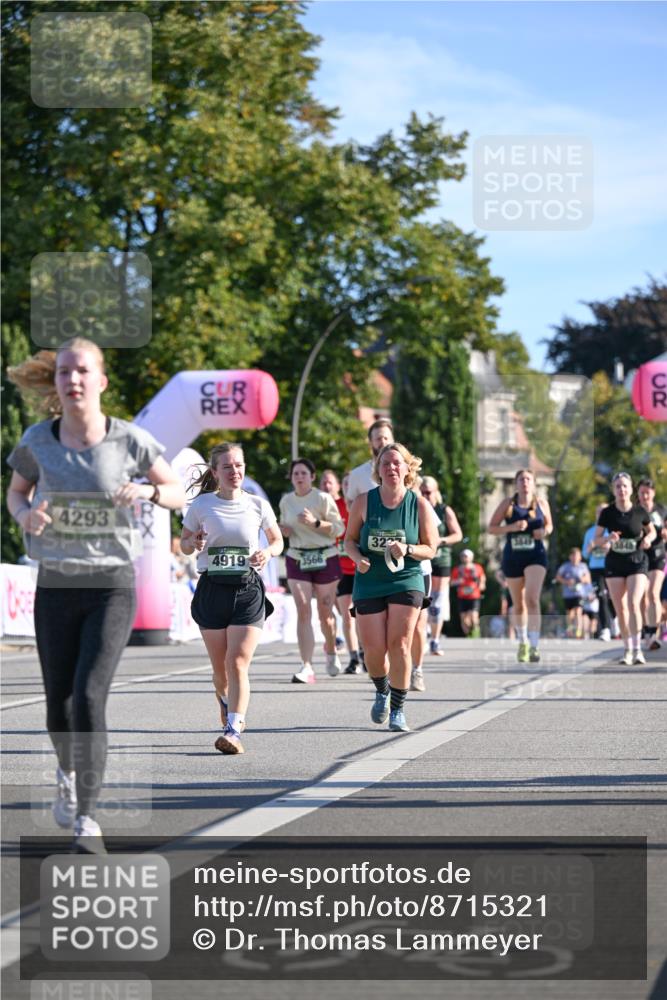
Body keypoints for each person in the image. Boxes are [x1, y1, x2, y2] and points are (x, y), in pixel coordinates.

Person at [6, 338, 185, 851]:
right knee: (57, 707)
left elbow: (176, 490)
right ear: (56, 382)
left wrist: (149, 491)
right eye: (64, 372)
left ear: (101, 381)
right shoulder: (38, 440)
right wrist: (26, 515)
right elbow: (17, 492)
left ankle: (87, 816)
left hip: (111, 585)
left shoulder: (129, 441)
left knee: (88, 698)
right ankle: (66, 772)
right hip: (56, 585)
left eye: (83, 371)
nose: (73, 380)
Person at [180, 442, 282, 755]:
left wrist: (267, 552)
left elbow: (277, 541)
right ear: (215, 472)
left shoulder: (257, 505)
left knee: (238, 662)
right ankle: (225, 701)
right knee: (220, 669)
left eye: (239, 465)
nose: (235, 471)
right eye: (227, 467)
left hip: (247, 589)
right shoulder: (201, 506)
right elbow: (184, 544)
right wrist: (193, 541)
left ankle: (234, 728)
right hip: (212, 588)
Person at [344, 443, 438, 732]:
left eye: (397, 462)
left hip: (406, 578)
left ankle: (398, 709)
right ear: (378, 470)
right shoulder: (363, 502)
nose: (391, 467)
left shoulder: (419, 504)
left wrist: (407, 548)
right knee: (373, 649)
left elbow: (431, 548)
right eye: (385, 463)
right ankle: (382, 689)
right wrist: (358, 558)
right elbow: (348, 540)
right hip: (370, 578)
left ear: (408, 468)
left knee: (399, 644)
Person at [279, 458, 344, 683]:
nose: (299, 477)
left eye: (303, 473)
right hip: (297, 557)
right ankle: (306, 666)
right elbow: (283, 526)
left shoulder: (322, 498)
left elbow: (338, 528)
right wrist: (284, 530)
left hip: (325, 556)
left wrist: (315, 523)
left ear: (312, 477)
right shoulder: (286, 501)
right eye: (295, 473)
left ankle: (332, 650)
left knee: (325, 614)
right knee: (303, 609)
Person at [488, 469, 553, 663]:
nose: (525, 482)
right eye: (521, 479)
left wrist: (544, 532)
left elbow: (550, 525)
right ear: (516, 484)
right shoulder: (508, 504)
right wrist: (512, 528)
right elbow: (492, 528)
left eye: (528, 479)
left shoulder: (541, 504)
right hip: (513, 557)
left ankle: (534, 645)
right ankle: (523, 641)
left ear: (534, 483)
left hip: (536, 556)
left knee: (532, 598)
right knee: (518, 604)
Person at [594, 472, 655, 665]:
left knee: (633, 603)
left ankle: (638, 649)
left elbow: (651, 530)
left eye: (625, 486)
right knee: (620, 609)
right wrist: (607, 539)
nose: (622, 490)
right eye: (618, 486)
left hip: (637, 561)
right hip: (615, 563)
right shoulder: (607, 513)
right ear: (613, 490)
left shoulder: (639, 512)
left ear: (631, 489)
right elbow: (596, 539)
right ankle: (627, 649)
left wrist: (647, 539)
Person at [319, 469, 362, 674]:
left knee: (362, 614)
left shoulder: (359, 505)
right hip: (340, 568)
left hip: (361, 567)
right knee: (347, 614)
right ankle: (354, 657)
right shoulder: (328, 507)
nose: (346, 487)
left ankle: (365, 650)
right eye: (344, 483)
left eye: (348, 484)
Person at [420, 476, 463, 655]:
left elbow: (458, 534)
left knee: (436, 600)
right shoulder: (417, 507)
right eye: (422, 492)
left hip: (441, 559)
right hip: (422, 558)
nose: (425, 495)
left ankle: (435, 641)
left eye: (428, 492)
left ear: (436, 492)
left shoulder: (444, 510)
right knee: (423, 599)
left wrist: (441, 540)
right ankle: (424, 634)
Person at [637, 478, 667, 651]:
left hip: (657, 555)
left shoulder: (662, 510)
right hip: (640, 556)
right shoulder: (635, 511)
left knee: (653, 593)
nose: (645, 496)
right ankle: (644, 630)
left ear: (653, 493)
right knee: (641, 596)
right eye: (641, 492)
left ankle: (653, 633)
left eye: (647, 492)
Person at [345, 417, 394, 505]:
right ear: (371, 443)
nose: (383, 442)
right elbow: (350, 503)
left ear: (392, 440)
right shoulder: (357, 474)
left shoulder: (403, 470)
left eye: (386, 438)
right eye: (378, 439)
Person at [582, 504, 613, 641]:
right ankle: (605, 629)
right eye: (598, 512)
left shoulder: (612, 530)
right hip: (596, 568)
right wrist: (590, 547)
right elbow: (584, 554)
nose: (601, 515)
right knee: (601, 596)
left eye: (603, 512)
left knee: (613, 597)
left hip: (612, 567)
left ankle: (614, 620)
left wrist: (609, 548)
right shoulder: (590, 532)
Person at [556, 547, 591, 638]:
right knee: (569, 613)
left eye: (577, 555)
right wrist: (567, 582)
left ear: (580, 557)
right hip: (568, 594)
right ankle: (570, 629)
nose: (575, 557)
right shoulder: (565, 566)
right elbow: (558, 577)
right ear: (570, 557)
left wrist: (582, 580)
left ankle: (578, 630)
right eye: (573, 555)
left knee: (578, 611)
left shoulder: (583, 566)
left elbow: (588, 579)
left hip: (579, 594)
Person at [450, 549, 486, 637]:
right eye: (463, 556)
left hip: (474, 596)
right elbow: (451, 582)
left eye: (466, 556)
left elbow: (482, 577)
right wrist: (458, 581)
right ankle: (468, 635)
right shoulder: (457, 569)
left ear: (471, 557)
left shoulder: (477, 568)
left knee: (474, 616)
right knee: (464, 620)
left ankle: (476, 634)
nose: (464, 558)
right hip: (462, 597)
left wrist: (482, 584)